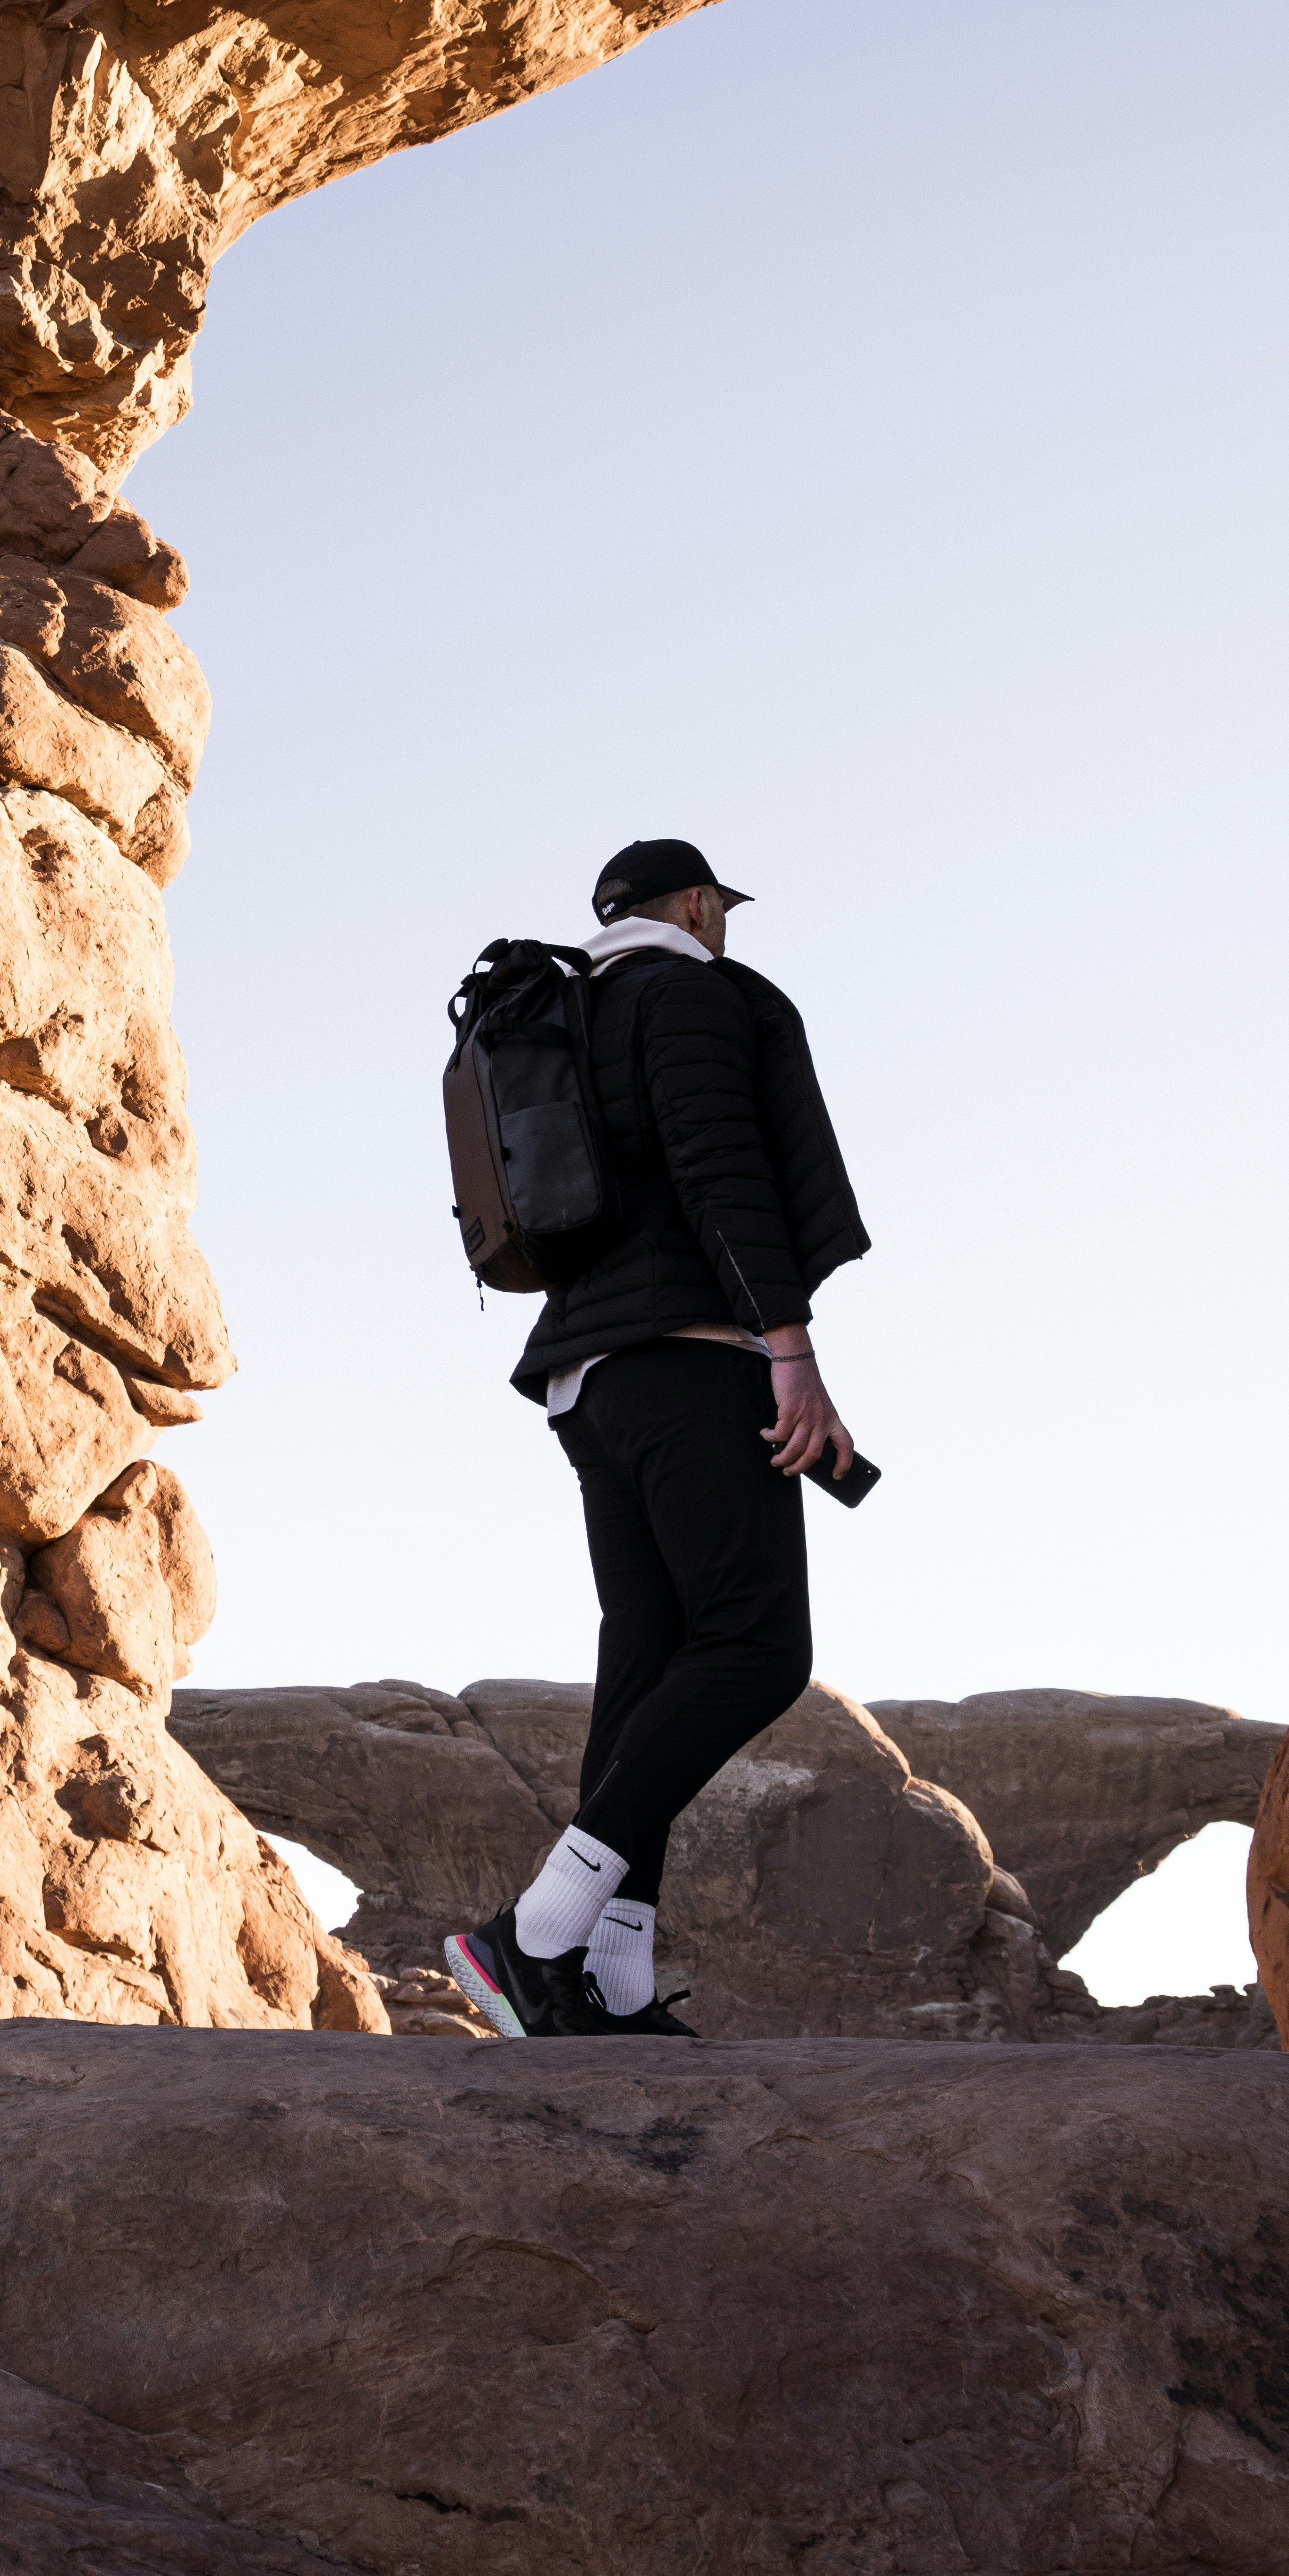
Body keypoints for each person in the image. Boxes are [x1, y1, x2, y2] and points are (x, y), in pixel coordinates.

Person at [445, 834, 868, 2038]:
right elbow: (721, 1169)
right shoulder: (685, 994)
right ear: (695, 903)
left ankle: (608, 1985)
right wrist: (790, 1349)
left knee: (647, 1667)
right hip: (687, 1363)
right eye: (719, 908)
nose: (723, 924)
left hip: (589, 1381)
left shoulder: (572, 1011)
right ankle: (531, 1937)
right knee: (756, 1648)